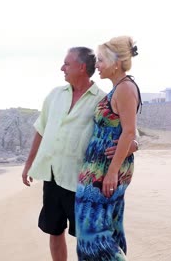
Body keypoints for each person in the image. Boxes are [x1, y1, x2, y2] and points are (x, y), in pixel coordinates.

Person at [22, 47, 138, 261]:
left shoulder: (102, 100)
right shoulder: (55, 95)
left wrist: (130, 146)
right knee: (54, 231)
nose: (62, 68)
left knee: (86, 239)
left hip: (83, 182)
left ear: (81, 67)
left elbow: (131, 134)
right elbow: (41, 129)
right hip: (53, 176)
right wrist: (29, 164)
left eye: (66, 64)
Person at [75, 36, 141, 260]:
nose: (97, 66)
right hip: (102, 170)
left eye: (101, 60)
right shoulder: (120, 89)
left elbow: (129, 131)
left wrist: (112, 172)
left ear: (116, 62)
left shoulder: (125, 88)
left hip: (105, 172)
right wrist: (133, 144)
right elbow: (130, 132)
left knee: (92, 237)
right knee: (110, 230)